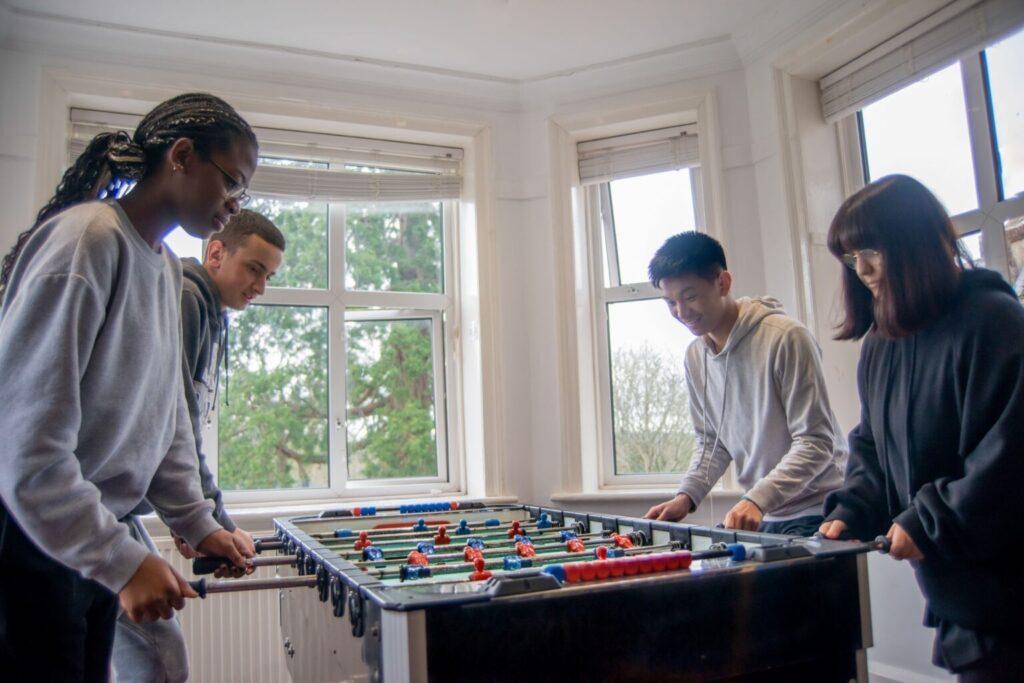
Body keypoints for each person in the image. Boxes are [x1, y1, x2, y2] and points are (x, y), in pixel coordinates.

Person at [0, 92, 256, 682]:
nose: (233, 205)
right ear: (183, 156)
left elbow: (163, 419)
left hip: (89, 534)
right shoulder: (87, 241)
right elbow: (26, 447)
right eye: (230, 184)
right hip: (30, 540)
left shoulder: (165, 266)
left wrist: (198, 522)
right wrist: (121, 561)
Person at [818, 175, 1024, 680]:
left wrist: (928, 521)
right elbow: (871, 443)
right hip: (960, 594)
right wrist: (854, 508)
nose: (861, 270)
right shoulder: (881, 344)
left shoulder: (994, 321)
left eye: (872, 252)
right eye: (850, 258)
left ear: (913, 244)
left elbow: (1010, 455)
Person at [112, 210, 285, 683]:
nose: (260, 287)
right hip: (96, 507)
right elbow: (177, 427)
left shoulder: (206, 308)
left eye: (268, 276)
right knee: (160, 661)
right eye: (254, 269)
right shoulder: (188, 297)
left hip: (120, 508)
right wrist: (207, 522)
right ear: (215, 252)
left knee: (151, 657)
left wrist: (208, 524)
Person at [643, 232, 846, 536]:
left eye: (690, 297)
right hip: (762, 513)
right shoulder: (695, 357)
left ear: (723, 283)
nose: (681, 313)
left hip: (819, 512)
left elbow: (816, 442)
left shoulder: (786, 337)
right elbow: (712, 442)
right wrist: (687, 496)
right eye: (670, 302)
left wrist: (756, 499)